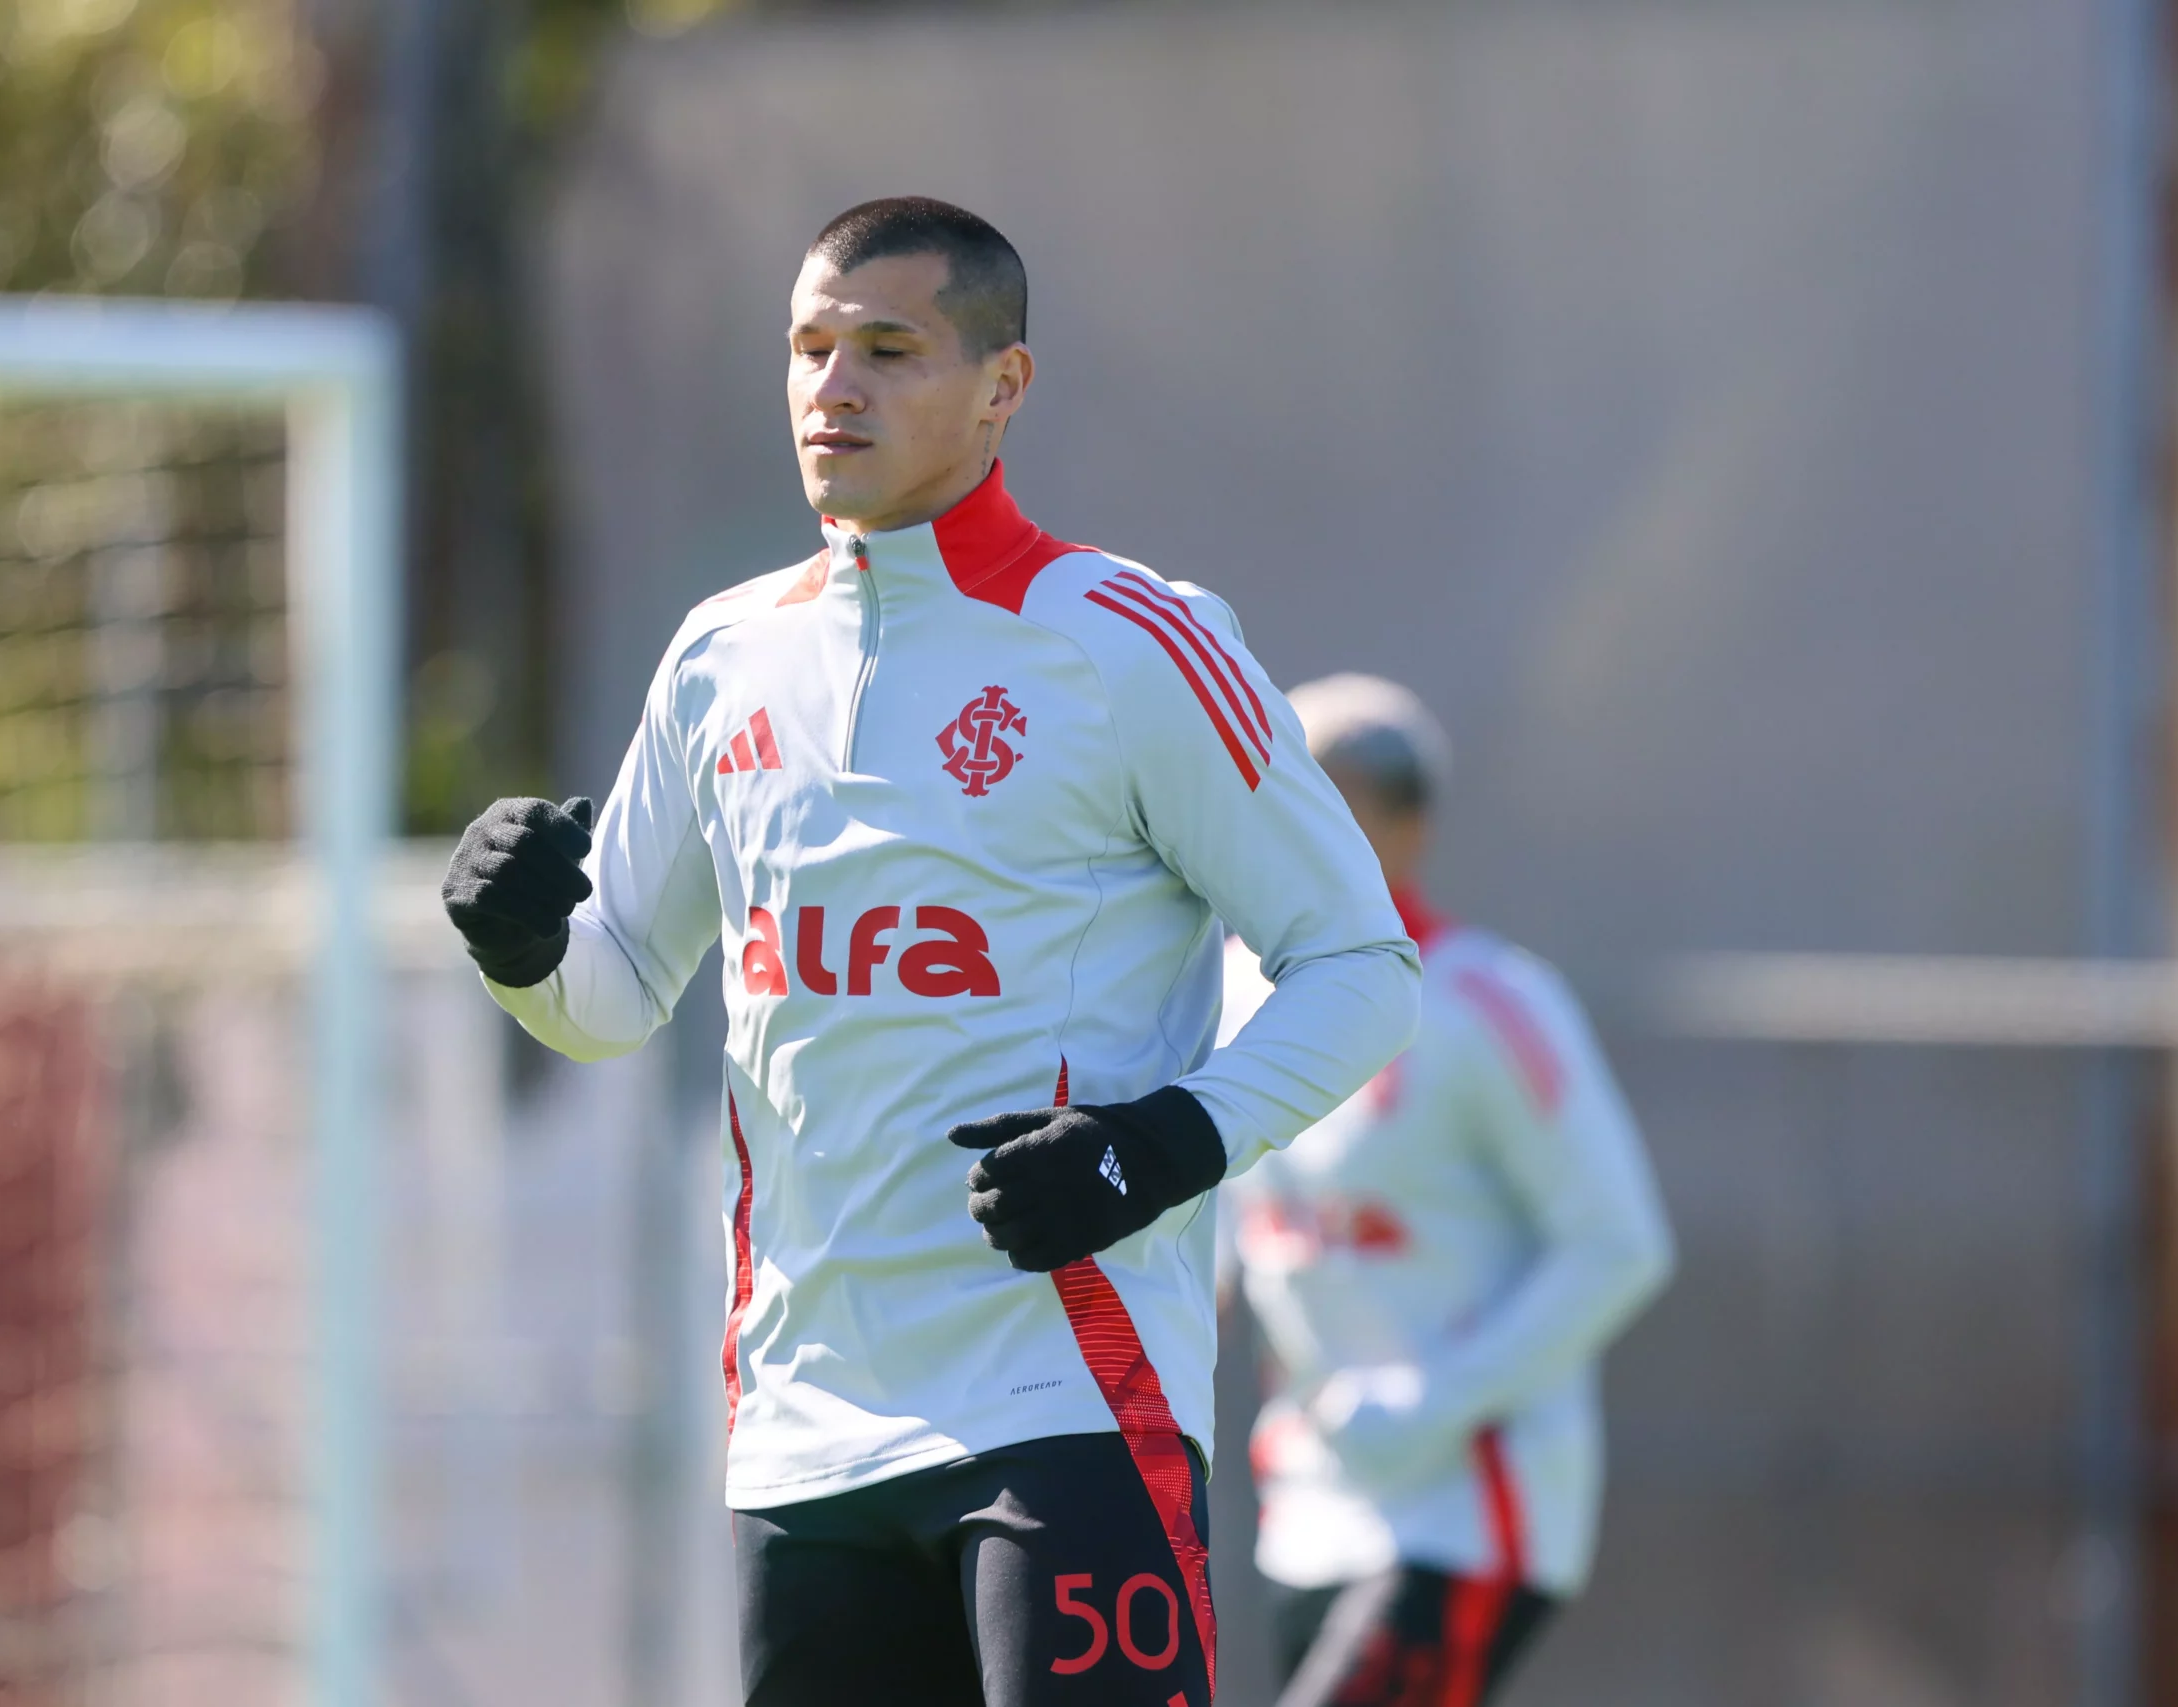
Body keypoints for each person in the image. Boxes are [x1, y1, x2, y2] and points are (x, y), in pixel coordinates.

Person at [438, 198, 1422, 1706]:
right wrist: (517, 945)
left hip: (1067, 1393)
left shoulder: (1130, 638)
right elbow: (615, 989)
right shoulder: (722, 657)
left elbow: (1360, 960)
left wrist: (1159, 1143)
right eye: (811, 348)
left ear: (1001, 387)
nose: (835, 386)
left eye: (889, 349)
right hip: (808, 1419)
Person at [1221, 674, 1675, 1707]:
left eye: (1342, 802)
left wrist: (1435, 1398)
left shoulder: (1486, 1001)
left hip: (1466, 1509)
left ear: (1410, 826)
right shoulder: (1221, 992)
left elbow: (1619, 1245)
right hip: (1306, 1504)